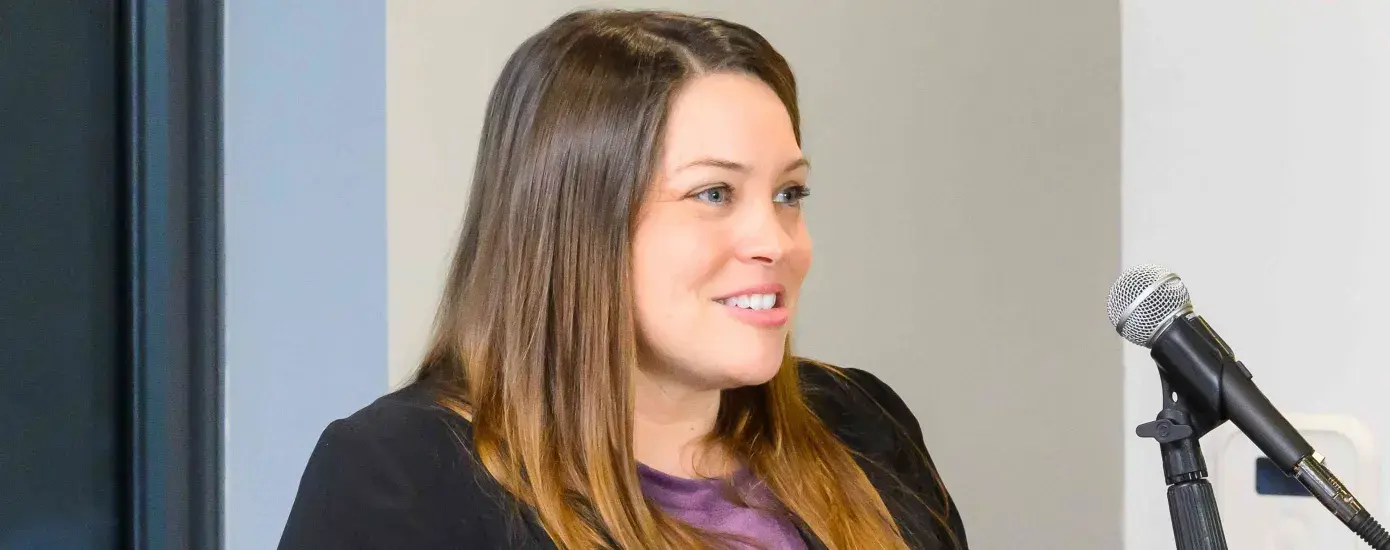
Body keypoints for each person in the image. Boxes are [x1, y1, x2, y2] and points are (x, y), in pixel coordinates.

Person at [278, 9, 967, 550]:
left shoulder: (860, 424)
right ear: (577, 222)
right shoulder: (404, 476)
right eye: (714, 194)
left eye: (789, 194)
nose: (776, 242)